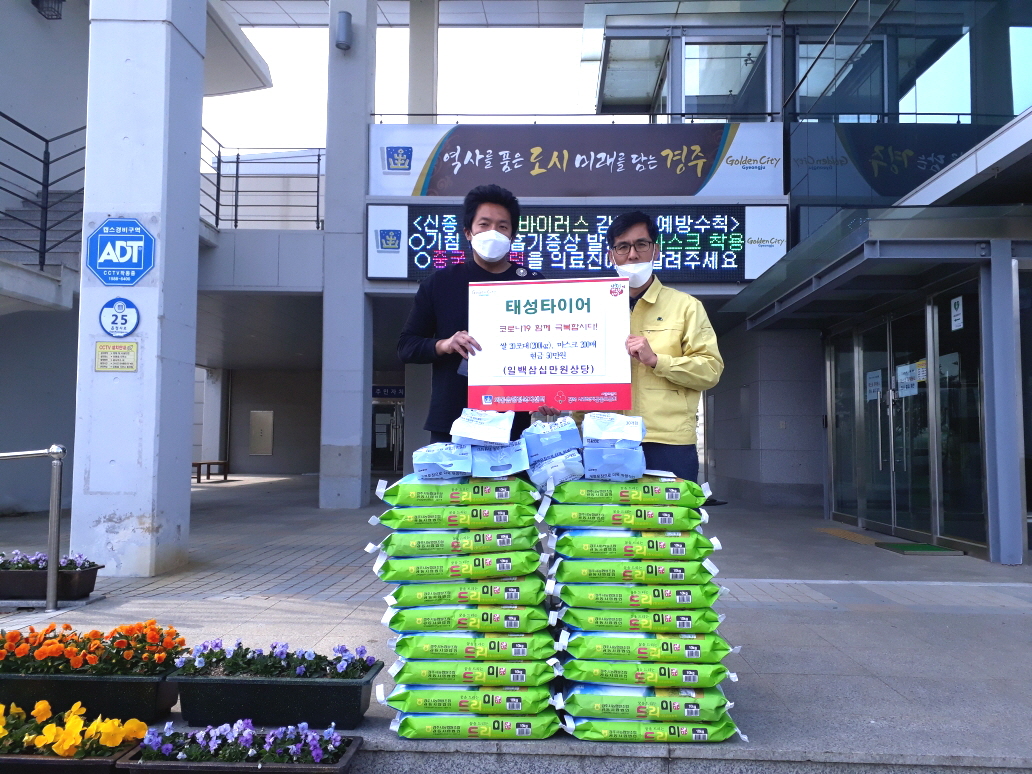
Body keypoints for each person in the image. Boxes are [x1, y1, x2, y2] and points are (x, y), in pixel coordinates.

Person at [398, 184, 556, 443]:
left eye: (502, 226)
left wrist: (552, 394)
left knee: (512, 486)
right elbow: (406, 346)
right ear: (468, 232)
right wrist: (445, 344)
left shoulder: (533, 284)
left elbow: (551, 349)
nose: (493, 232)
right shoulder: (440, 283)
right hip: (452, 421)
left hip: (513, 424)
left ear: (512, 236)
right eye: (484, 224)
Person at [607, 211, 724, 486]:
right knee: (612, 527)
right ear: (612, 255)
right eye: (622, 247)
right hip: (606, 440)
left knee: (669, 526)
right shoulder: (594, 307)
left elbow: (710, 370)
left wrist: (658, 360)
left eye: (641, 244)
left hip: (668, 442)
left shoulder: (686, 306)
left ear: (655, 250)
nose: (632, 255)